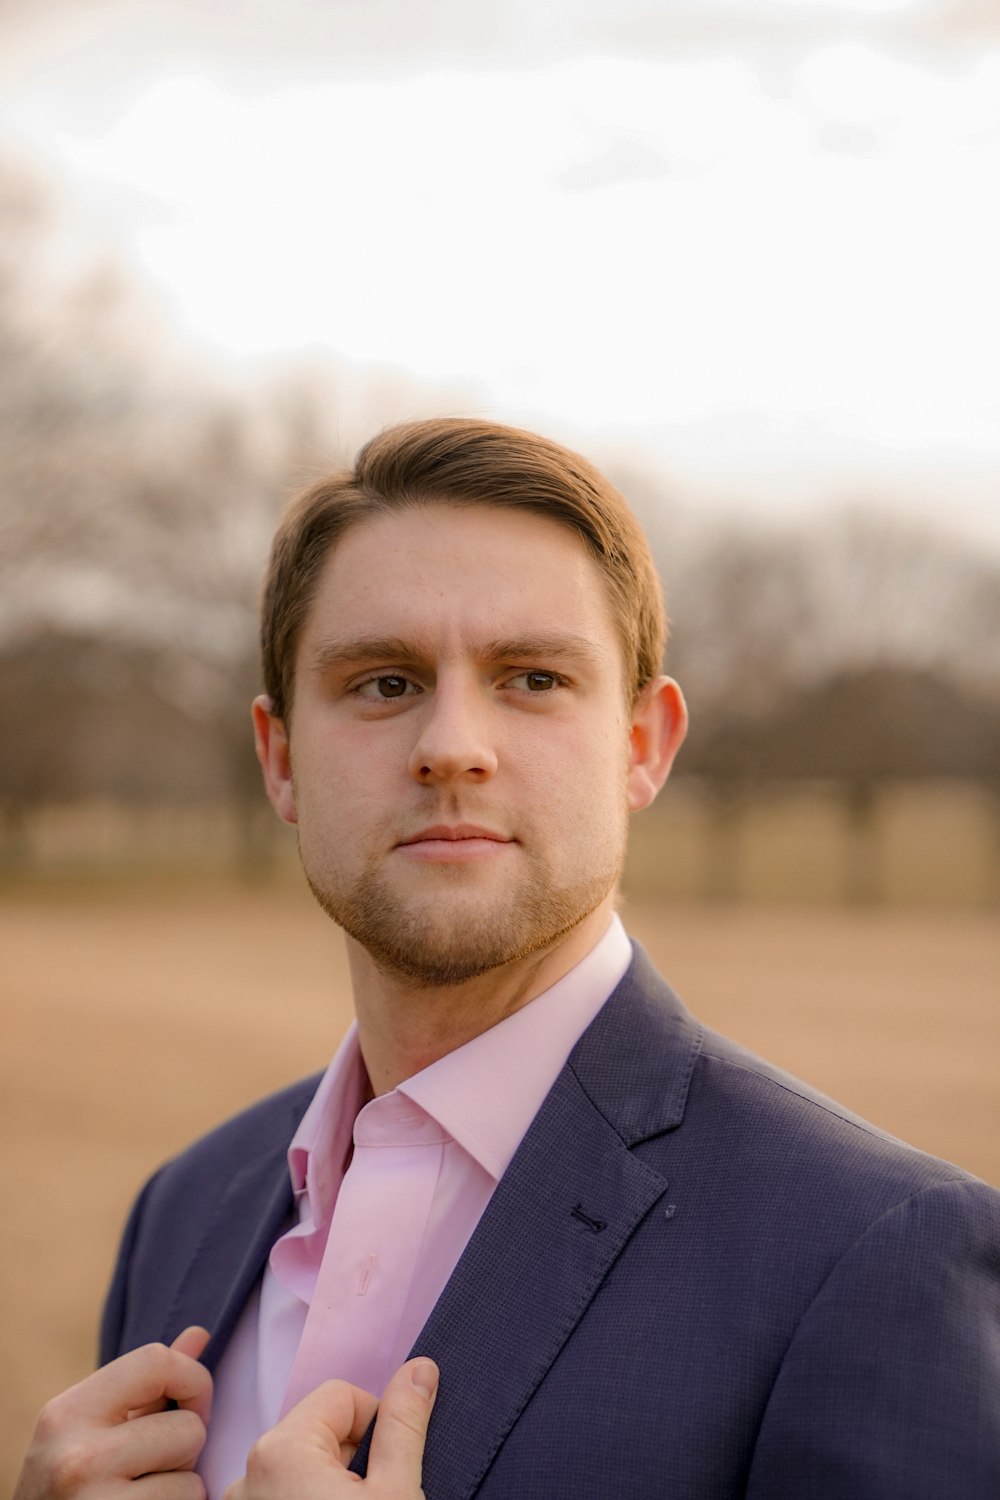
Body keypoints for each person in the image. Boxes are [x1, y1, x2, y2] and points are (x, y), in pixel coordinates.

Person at [14, 417, 1000, 1499]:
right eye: (383, 682)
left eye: (530, 678)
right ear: (280, 759)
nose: (451, 745)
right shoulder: (186, 1205)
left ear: (642, 746)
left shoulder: (873, 1254)